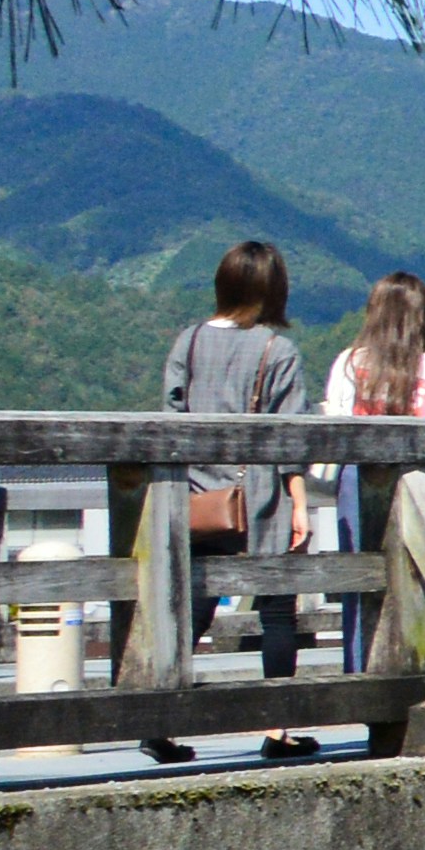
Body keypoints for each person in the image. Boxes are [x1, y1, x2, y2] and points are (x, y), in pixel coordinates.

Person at [153, 237, 310, 759]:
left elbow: (171, 419)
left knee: (191, 610)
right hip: (260, 496)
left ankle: (160, 720)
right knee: (278, 612)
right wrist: (300, 503)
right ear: (272, 291)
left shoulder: (188, 342)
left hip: (198, 496)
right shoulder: (276, 350)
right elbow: (290, 437)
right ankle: (276, 731)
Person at [321, 271, 425, 679]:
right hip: (423, 482)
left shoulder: (350, 363)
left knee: (362, 585)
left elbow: (334, 430)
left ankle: (361, 678)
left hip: (357, 483)